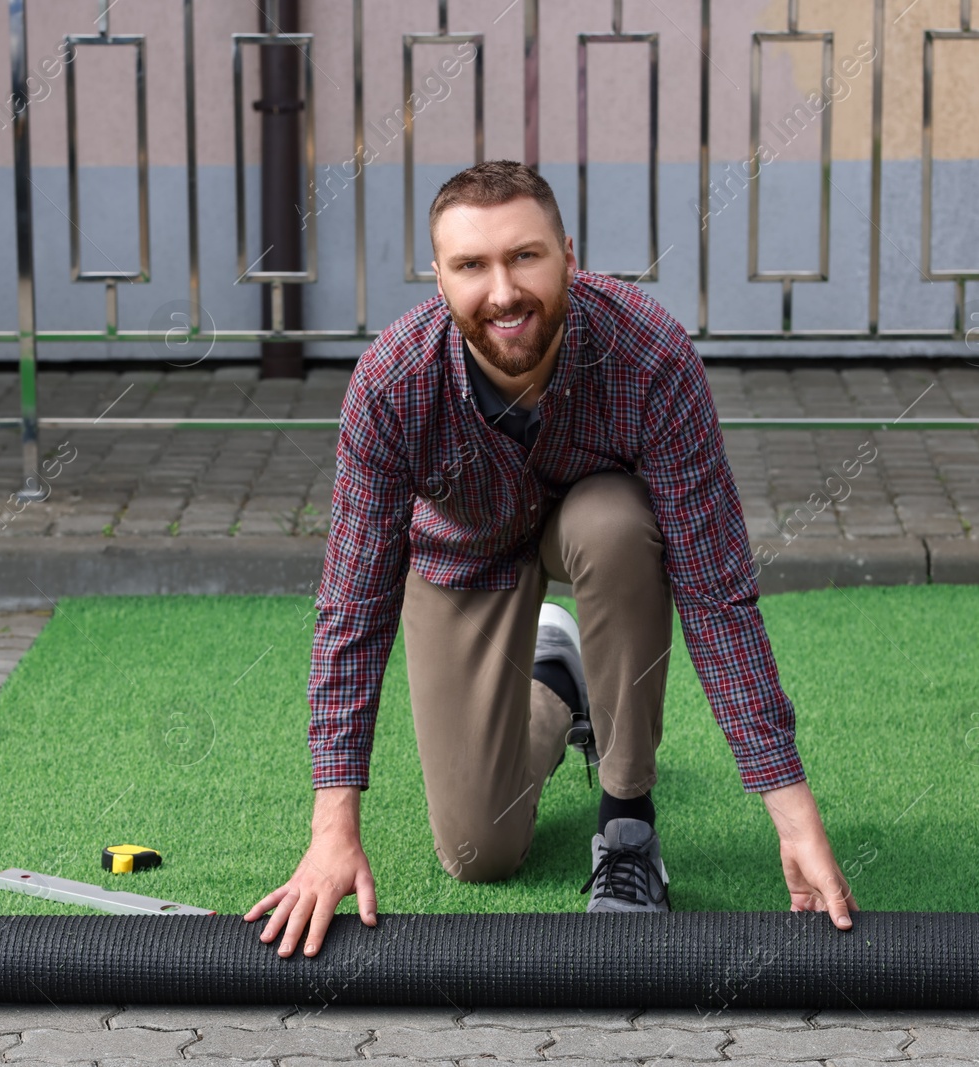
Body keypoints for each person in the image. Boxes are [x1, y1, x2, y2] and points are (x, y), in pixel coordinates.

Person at [243, 160, 858, 958]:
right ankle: (556, 688)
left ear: (568, 254)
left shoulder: (651, 356)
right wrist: (333, 828)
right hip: (463, 554)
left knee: (617, 522)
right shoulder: (391, 384)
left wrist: (794, 814)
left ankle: (627, 822)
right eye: (472, 266)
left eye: (524, 256)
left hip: (596, 537)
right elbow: (353, 607)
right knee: (477, 855)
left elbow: (716, 592)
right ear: (438, 277)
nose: (502, 291)